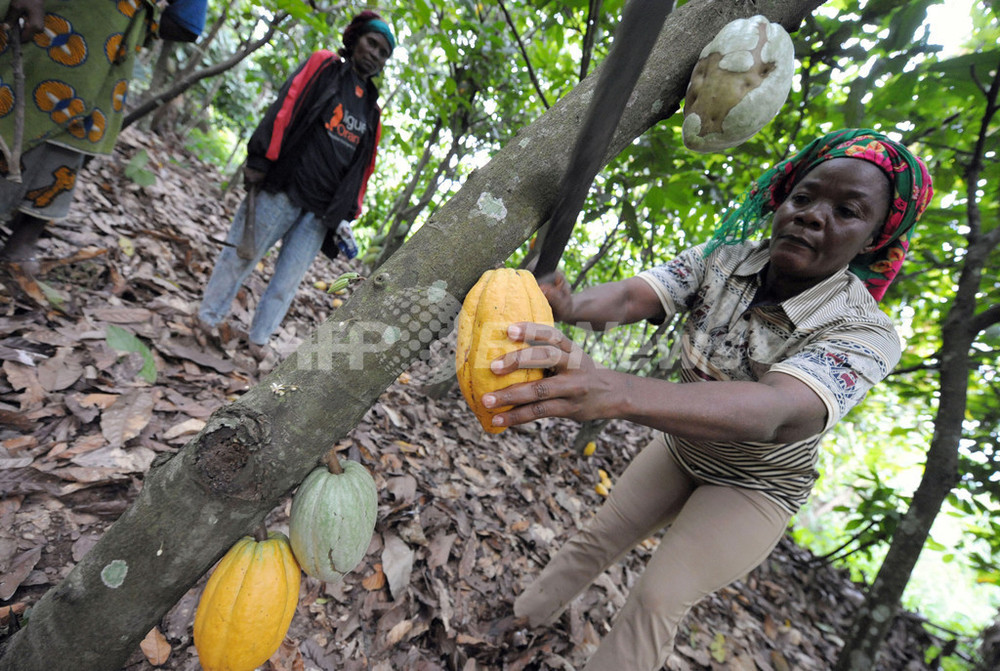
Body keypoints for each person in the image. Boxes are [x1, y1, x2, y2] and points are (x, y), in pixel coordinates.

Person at [480, 129, 933, 670]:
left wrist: (617, 390)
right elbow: (631, 296)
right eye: (804, 198)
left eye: (847, 211)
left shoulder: (865, 332)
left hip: (756, 484)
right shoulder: (722, 261)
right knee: (597, 538)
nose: (813, 216)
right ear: (780, 202)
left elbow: (776, 412)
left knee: (656, 600)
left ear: (874, 240)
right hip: (682, 452)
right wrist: (568, 303)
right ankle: (525, 617)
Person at [196, 11, 394, 350]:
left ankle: (257, 342)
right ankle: (206, 320)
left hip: (319, 213)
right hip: (283, 187)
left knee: (286, 284)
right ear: (355, 38)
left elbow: (364, 166)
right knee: (241, 256)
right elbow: (287, 105)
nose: (375, 54)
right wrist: (260, 158)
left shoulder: (372, 112)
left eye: (383, 52)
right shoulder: (325, 66)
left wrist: (348, 213)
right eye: (371, 43)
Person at [0, 0, 207, 265]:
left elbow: (186, 23)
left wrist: (128, 16)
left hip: (98, 54)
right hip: (45, 26)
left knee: (66, 136)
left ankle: (22, 242)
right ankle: (22, 244)